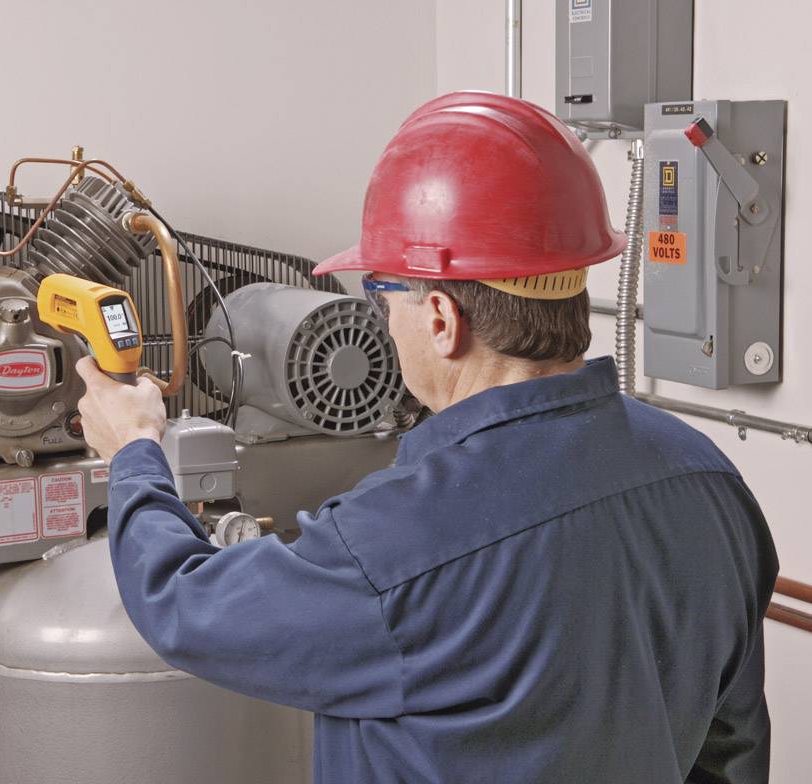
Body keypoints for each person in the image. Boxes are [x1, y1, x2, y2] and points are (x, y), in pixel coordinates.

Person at [74, 91, 778, 783]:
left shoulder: (396, 542)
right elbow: (731, 746)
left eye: (381, 294)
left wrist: (134, 450)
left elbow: (182, 607)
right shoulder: (706, 478)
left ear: (439, 316)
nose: (382, 321)